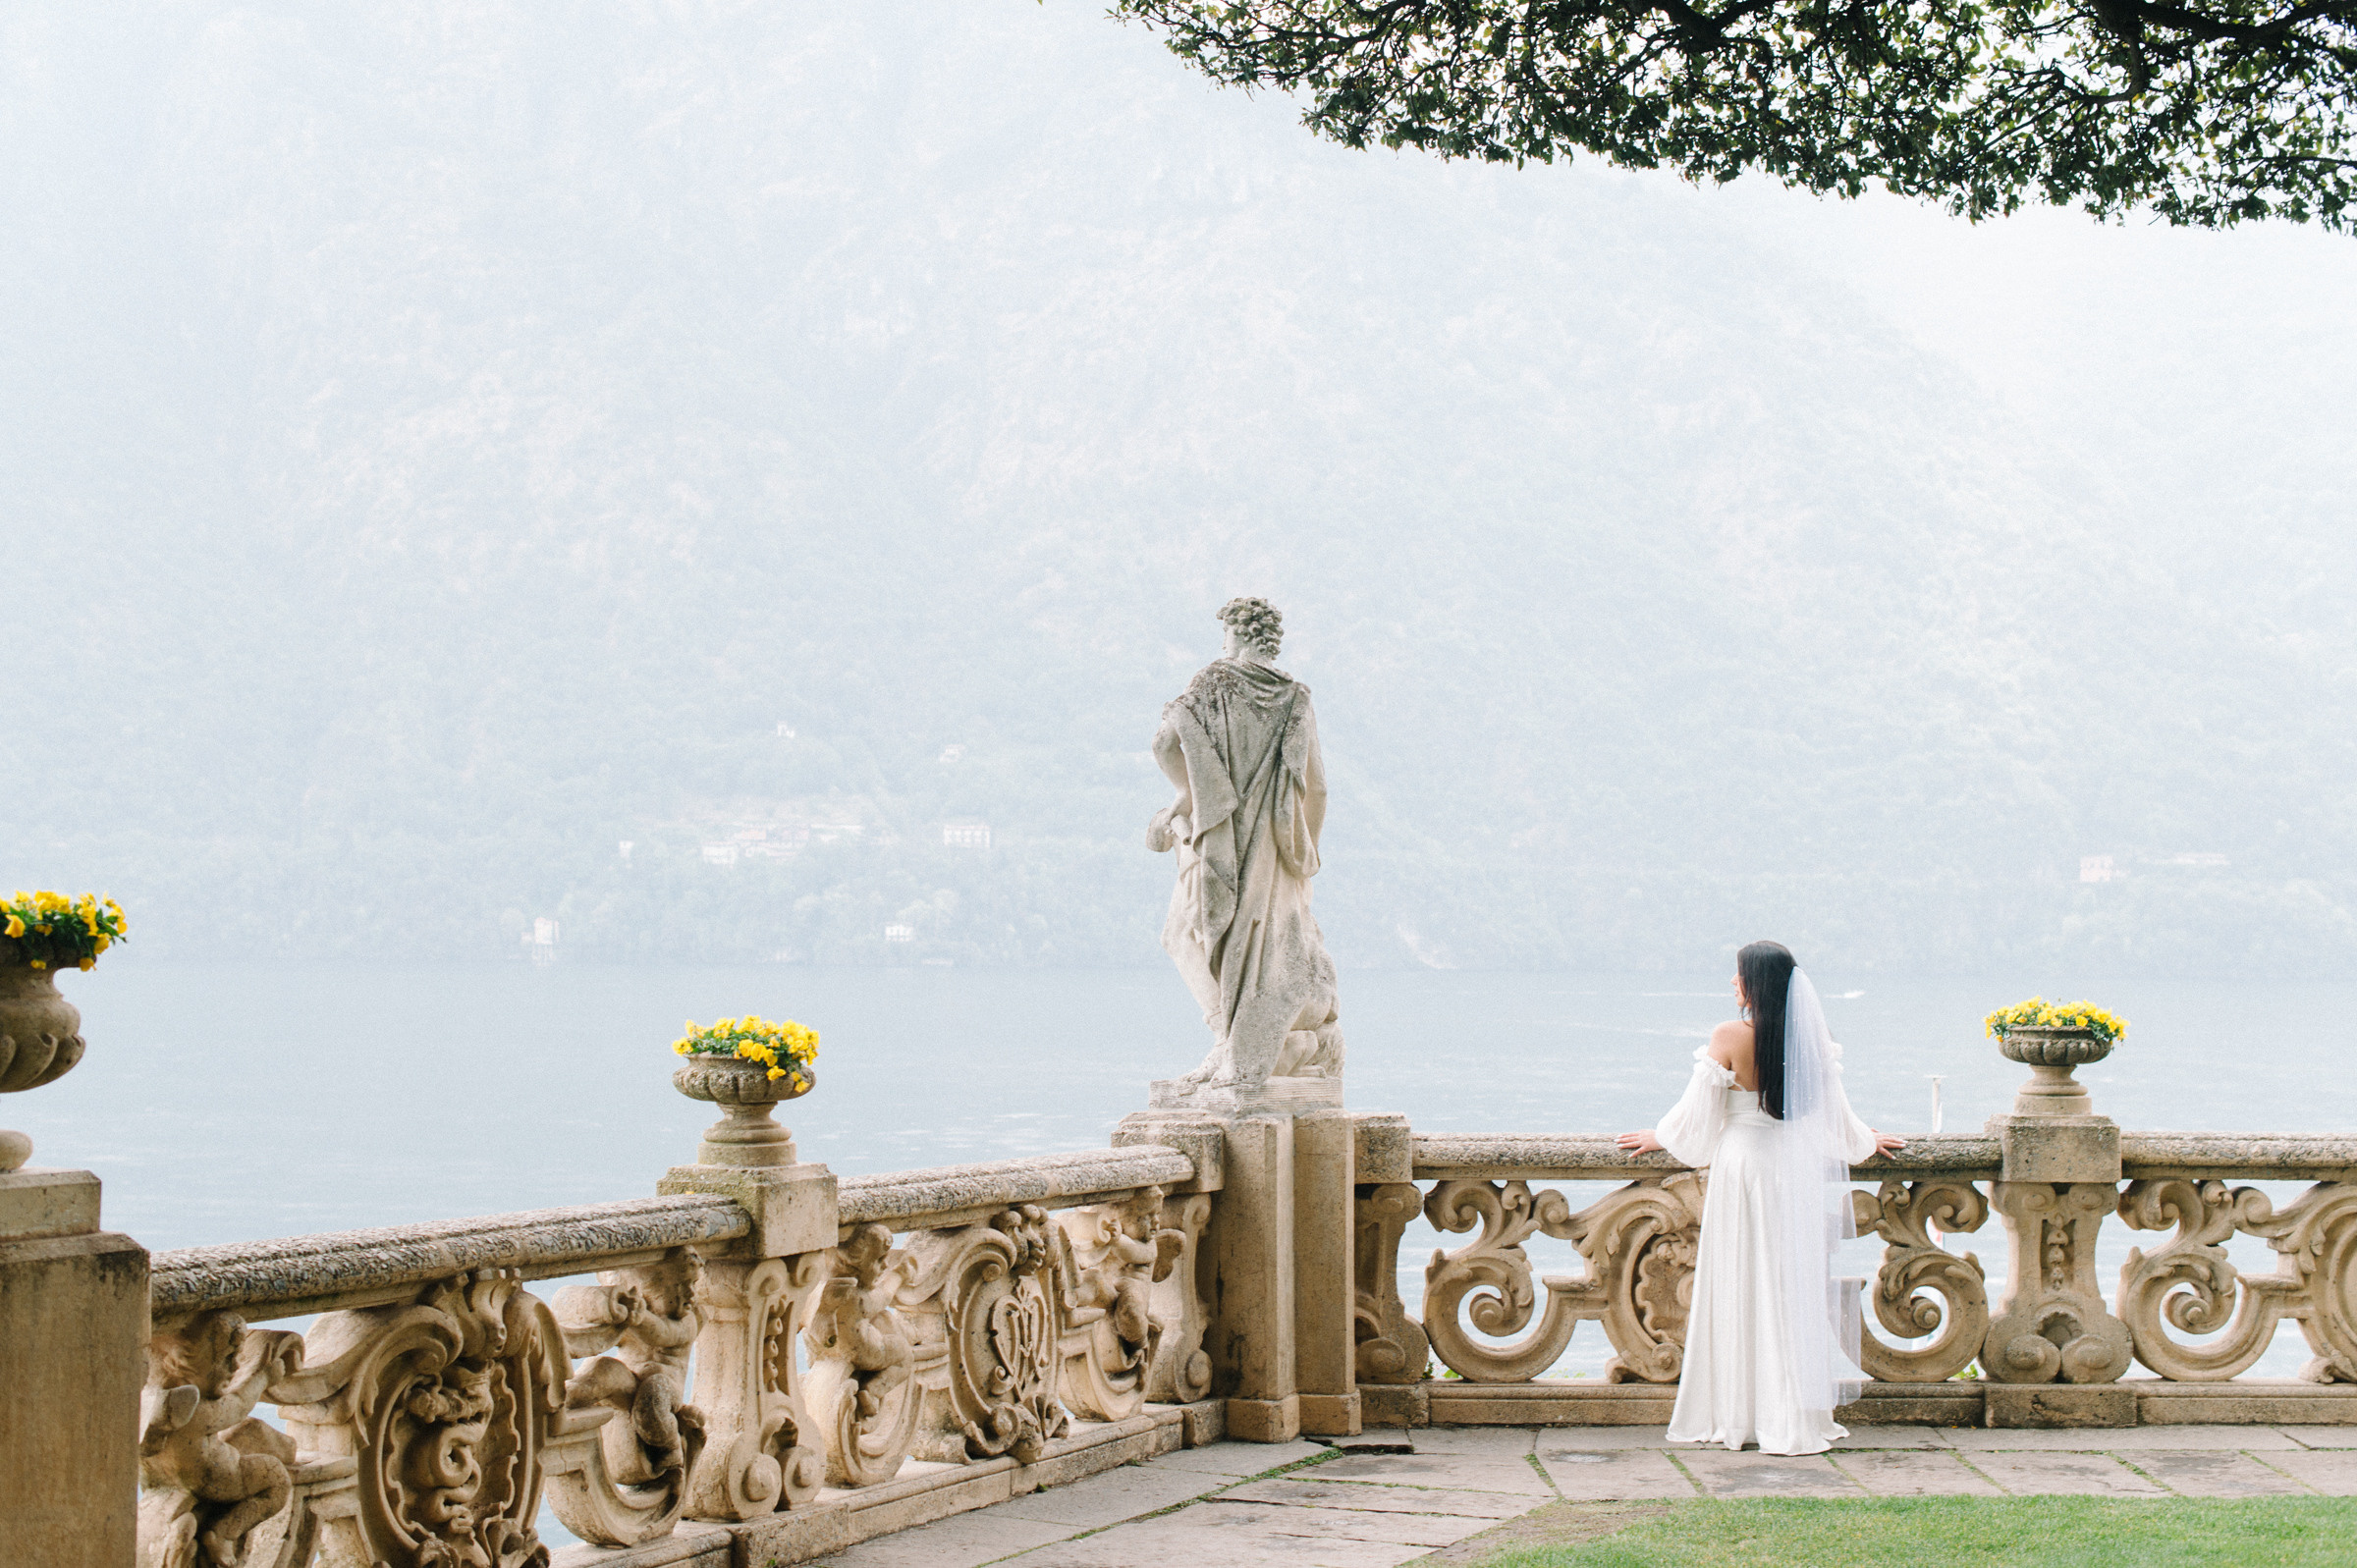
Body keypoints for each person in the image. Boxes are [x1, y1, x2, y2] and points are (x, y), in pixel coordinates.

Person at [1616, 941, 1904, 1454]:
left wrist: (1661, 1136)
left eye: (1739, 974)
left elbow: (1695, 1119)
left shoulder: (1729, 1036)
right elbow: (1837, 1118)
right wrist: (1867, 1140)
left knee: (1740, 1282)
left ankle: (1738, 1411)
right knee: (1785, 1286)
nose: (1733, 982)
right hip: (1789, 1169)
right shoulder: (1812, 1042)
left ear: (1756, 984)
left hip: (1743, 1166)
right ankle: (1787, 1411)